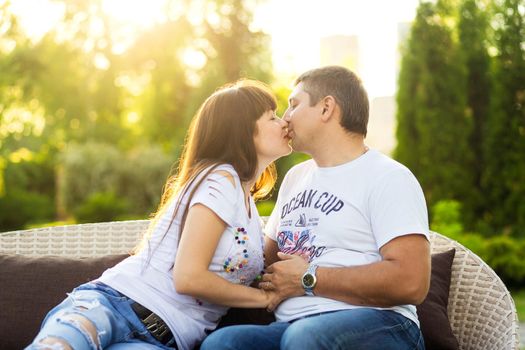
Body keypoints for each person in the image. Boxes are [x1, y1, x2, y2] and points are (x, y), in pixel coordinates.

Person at [26, 80, 292, 350]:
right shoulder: (221, 180)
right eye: (272, 117)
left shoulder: (248, 210)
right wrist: (263, 300)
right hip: (112, 306)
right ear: (242, 131)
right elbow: (188, 277)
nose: (284, 123)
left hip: (163, 339)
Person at [201, 66, 431, 350]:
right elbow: (267, 262)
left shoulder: (389, 177)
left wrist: (309, 278)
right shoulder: (296, 178)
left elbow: (411, 282)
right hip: (291, 327)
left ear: (326, 108)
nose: (285, 118)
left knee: (306, 339)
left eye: (294, 105)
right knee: (224, 343)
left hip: (381, 323)